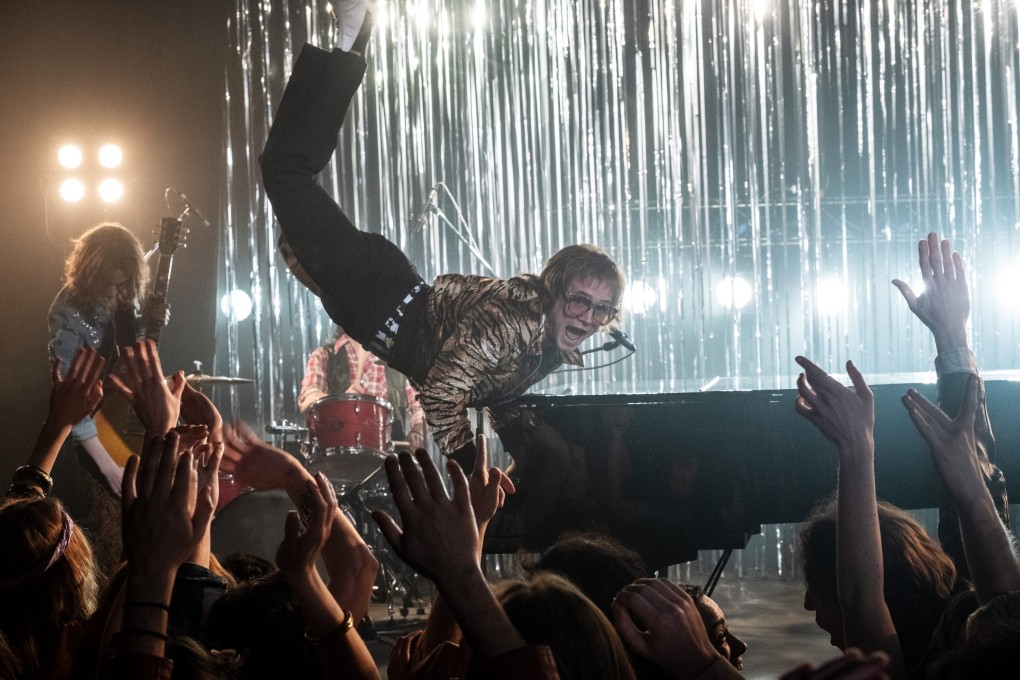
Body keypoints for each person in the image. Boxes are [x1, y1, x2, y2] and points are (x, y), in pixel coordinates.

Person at [260, 5, 627, 461]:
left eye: (603, 310)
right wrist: (475, 474)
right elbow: (440, 394)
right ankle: (353, 35)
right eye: (580, 300)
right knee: (285, 173)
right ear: (553, 291)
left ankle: (349, 39)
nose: (590, 318)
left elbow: (488, 390)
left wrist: (530, 457)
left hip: (377, 303)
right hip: (377, 292)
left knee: (283, 179)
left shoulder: (546, 343)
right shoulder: (518, 322)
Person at [47, 222, 157, 576]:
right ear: (91, 274)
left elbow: (128, 350)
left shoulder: (121, 300)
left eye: (123, 286)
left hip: (108, 425)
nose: (116, 295)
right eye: (109, 285)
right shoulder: (69, 317)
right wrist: (110, 469)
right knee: (86, 542)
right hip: (75, 440)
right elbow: (71, 403)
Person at [298, 325, 426, 451]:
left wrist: (418, 432)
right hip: (338, 457)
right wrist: (341, 401)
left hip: (388, 459)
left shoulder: (395, 361)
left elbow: (420, 408)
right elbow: (307, 399)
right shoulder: (324, 355)